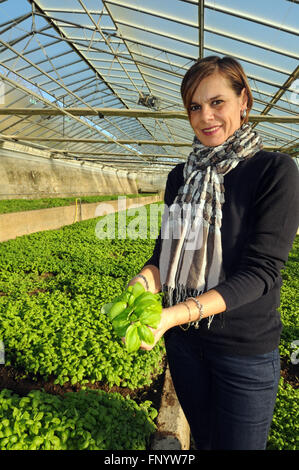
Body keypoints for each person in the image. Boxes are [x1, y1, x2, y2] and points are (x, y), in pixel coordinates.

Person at [126, 55, 299, 450]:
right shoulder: (180, 177)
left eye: (216, 102)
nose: (206, 116)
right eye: (194, 106)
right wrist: (143, 281)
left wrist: (173, 314)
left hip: (244, 351)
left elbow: (263, 272)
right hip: (186, 347)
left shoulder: (274, 172)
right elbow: (163, 257)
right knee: (203, 440)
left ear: (244, 102)